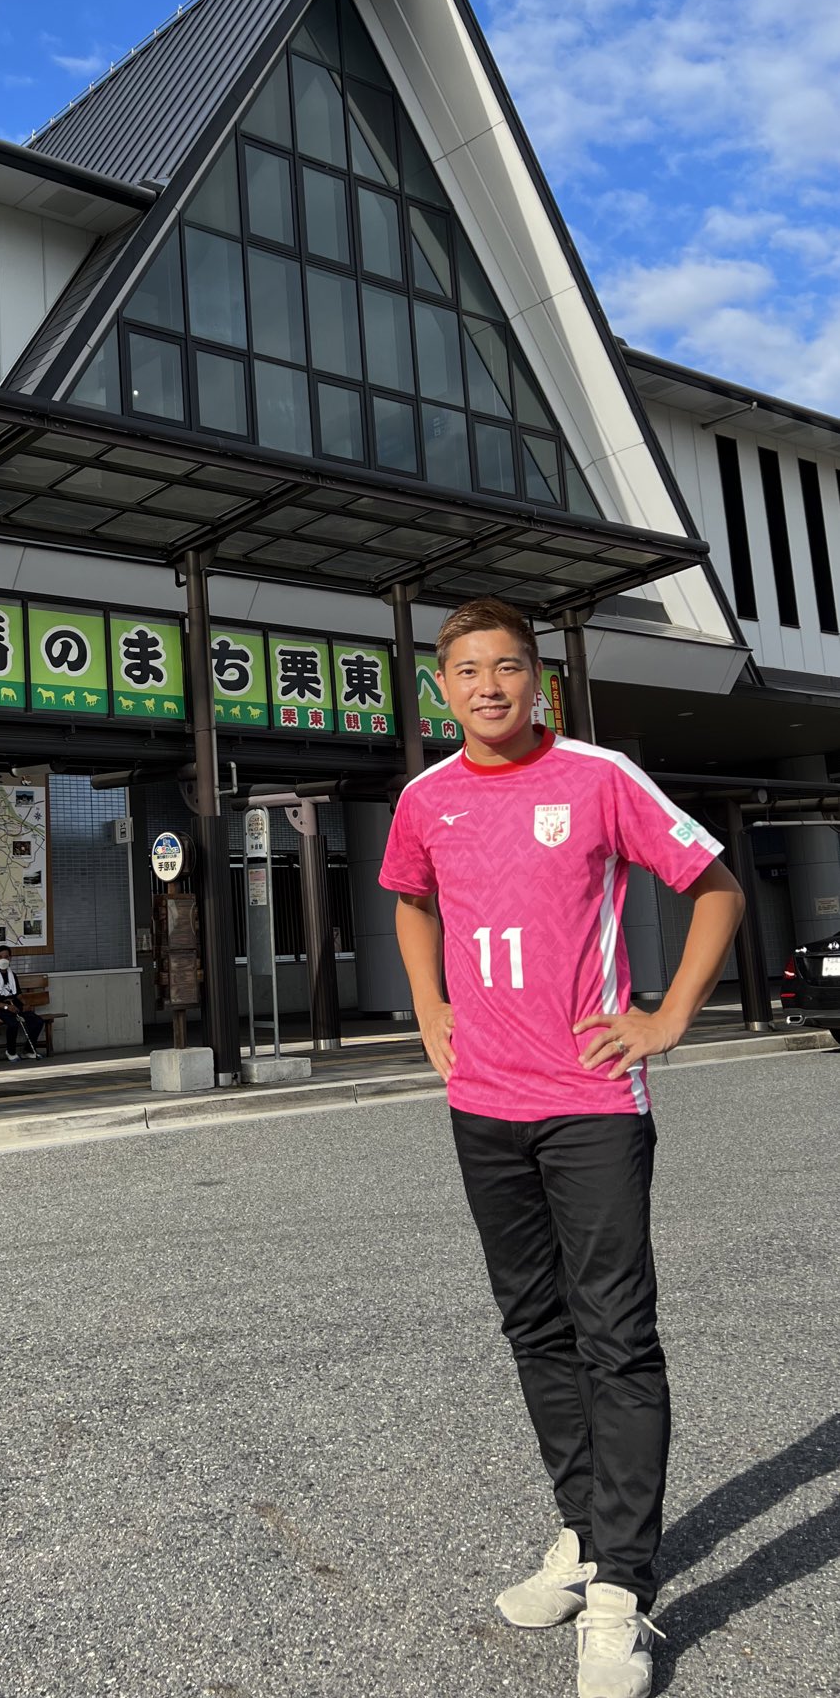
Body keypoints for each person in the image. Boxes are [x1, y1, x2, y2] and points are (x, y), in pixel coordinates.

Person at [379, 597, 744, 1698]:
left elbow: (716, 887)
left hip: (590, 1101)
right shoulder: (425, 797)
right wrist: (429, 1005)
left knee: (616, 1337)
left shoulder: (597, 776)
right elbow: (410, 898)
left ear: (538, 679)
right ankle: (584, 1534)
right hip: (482, 1103)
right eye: (467, 670)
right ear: (441, 686)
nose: (488, 686)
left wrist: (666, 1018)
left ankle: (624, 1590)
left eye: (507, 667)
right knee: (534, 1325)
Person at [0, 945, 43, 1062]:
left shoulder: (12, 975)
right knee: (13, 1024)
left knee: (37, 1021)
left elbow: (18, 994)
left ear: (10, 958)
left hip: (15, 1006)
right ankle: (11, 1052)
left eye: (6, 957)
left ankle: (29, 1050)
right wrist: (6, 1007)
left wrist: (25, 1004)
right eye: (0, 957)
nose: (3, 959)